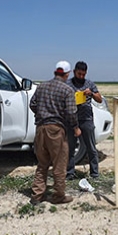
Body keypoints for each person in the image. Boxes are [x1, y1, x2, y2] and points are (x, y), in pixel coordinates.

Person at [29, 61, 82, 205]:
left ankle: (37, 195)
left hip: (40, 128)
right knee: (59, 165)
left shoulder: (41, 86)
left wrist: (42, 113)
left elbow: (32, 104)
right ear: (67, 74)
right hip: (56, 130)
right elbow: (71, 113)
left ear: (55, 72)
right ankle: (58, 196)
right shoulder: (67, 90)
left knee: (42, 163)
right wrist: (76, 127)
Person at [65, 61, 103, 180]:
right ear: (74, 71)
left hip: (86, 119)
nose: (81, 76)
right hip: (71, 119)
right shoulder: (68, 84)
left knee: (91, 147)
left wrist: (91, 93)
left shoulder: (89, 84)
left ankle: (94, 173)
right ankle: (70, 173)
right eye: (79, 74)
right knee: (70, 148)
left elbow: (100, 99)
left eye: (83, 74)